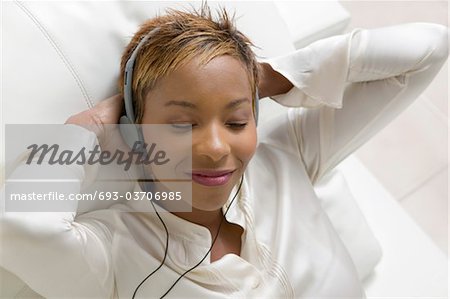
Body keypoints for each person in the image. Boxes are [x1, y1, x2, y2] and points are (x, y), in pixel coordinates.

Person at [1, 4, 448, 299]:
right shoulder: (114, 248)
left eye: (236, 121)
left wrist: (266, 77)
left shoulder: (287, 154)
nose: (216, 149)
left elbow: (430, 48)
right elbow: (18, 228)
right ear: (136, 135)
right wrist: (88, 128)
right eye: (181, 124)